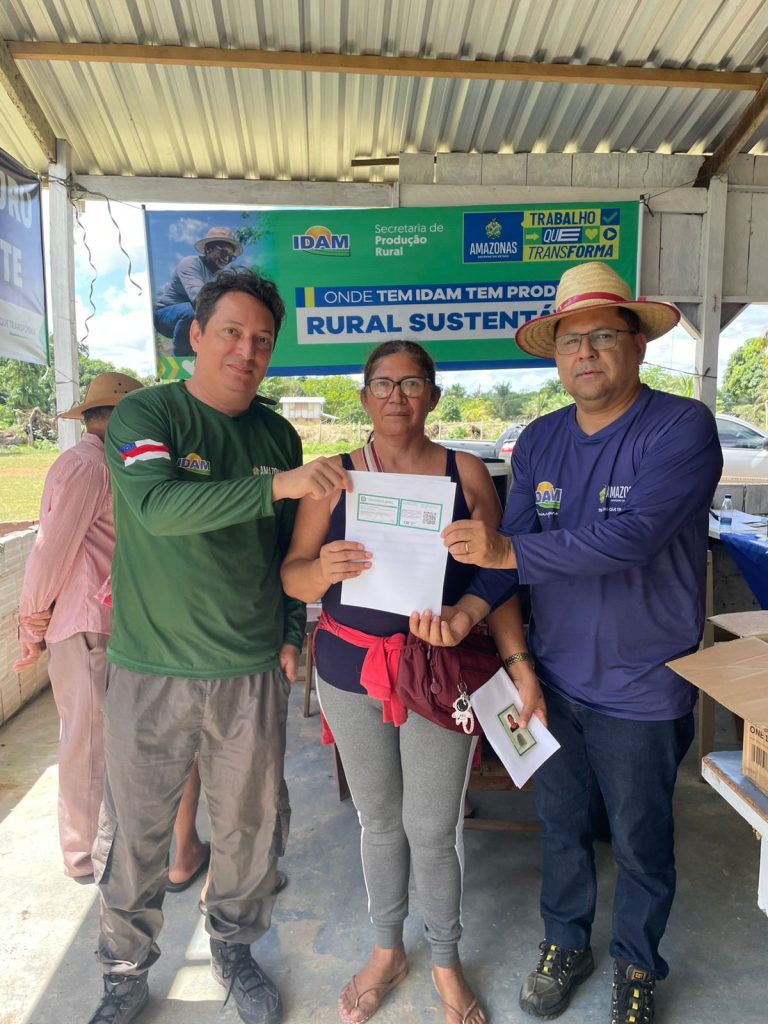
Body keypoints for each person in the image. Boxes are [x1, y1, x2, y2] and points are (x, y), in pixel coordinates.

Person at [410, 262, 723, 1024]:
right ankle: (566, 943)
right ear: (555, 357)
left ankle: (638, 966)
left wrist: (501, 556)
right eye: (571, 341)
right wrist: (468, 616)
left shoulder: (681, 428)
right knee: (561, 826)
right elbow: (510, 548)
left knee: (642, 838)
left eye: (603, 337)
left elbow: (633, 537)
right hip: (548, 677)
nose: (585, 353)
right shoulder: (541, 440)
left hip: (644, 683)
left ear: (637, 347)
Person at [86, 269, 349, 1024]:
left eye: (261, 339)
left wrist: (293, 631)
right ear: (195, 337)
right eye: (230, 332)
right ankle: (124, 971)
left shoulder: (276, 434)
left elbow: (286, 554)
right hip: (151, 670)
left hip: (250, 672)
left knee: (251, 829)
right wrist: (278, 485)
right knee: (138, 835)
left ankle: (235, 947)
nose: (246, 349)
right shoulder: (148, 411)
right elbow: (159, 507)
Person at [281, 340, 545, 1024]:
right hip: (351, 670)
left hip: (439, 670)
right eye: (382, 384)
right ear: (364, 396)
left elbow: (499, 569)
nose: (396, 396)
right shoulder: (336, 477)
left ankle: (446, 958)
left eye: (411, 383)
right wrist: (323, 572)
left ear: (432, 394)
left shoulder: (464, 471)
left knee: (432, 826)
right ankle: (384, 949)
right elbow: (293, 573)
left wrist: (479, 626)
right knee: (379, 820)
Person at [13, 372, 207, 888]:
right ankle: (86, 857)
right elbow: (48, 552)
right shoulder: (88, 466)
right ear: (114, 419)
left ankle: (104, 846)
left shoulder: (112, 464)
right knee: (88, 743)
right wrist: (32, 623)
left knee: (105, 740)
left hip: (105, 622)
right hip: (84, 625)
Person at [153, 226, 242, 356]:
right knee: (198, 311)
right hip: (165, 316)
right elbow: (201, 299)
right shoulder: (190, 263)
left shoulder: (220, 276)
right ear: (208, 249)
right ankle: (180, 358)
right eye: (223, 253)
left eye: (230, 257)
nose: (226, 259)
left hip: (196, 316)